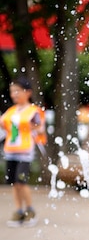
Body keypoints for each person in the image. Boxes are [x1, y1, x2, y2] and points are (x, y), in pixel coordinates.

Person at [0, 76, 45, 227]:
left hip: (25, 153)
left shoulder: (33, 111)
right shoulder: (10, 111)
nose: (14, 94)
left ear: (27, 92)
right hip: (11, 151)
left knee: (21, 181)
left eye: (17, 91)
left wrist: (32, 128)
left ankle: (29, 210)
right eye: (12, 91)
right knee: (14, 182)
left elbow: (40, 128)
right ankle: (18, 210)